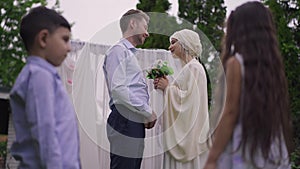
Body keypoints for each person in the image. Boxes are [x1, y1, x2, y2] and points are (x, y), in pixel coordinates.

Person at [203, 2, 293, 169]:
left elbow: (230, 112)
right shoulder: (271, 67)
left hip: (242, 146)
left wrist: (212, 158)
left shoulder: (236, 64)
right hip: (270, 145)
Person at [9, 6, 81, 169]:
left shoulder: (45, 76)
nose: (69, 48)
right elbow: (45, 133)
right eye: (64, 39)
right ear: (43, 39)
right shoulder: (38, 76)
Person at [103, 9, 157, 169]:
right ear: (133, 23)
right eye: (145, 26)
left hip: (132, 121)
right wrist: (147, 111)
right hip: (125, 118)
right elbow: (119, 90)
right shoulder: (118, 51)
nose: (147, 33)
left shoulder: (128, 54)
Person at [154, 29, 210, 169]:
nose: (169, 47)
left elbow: (191, 102)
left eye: (173, 43)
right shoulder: (191, 68)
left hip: (187, 137)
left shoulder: (194, 68)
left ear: (185, 43)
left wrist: (167, 88)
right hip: (184, 135)